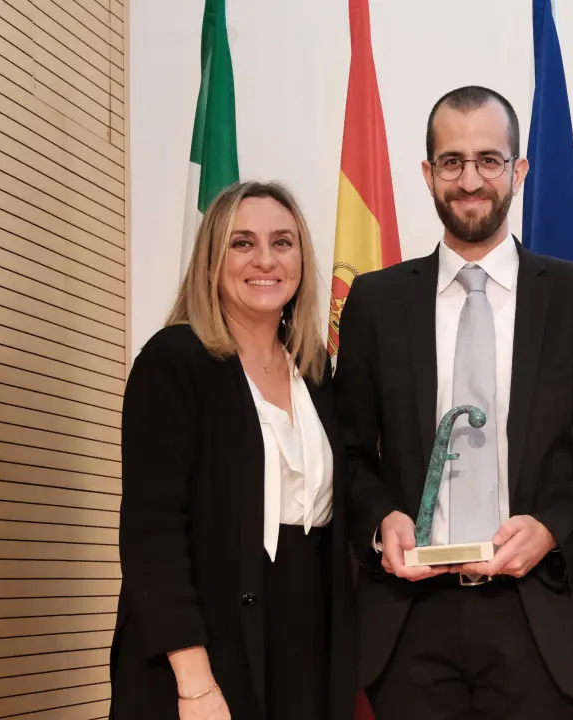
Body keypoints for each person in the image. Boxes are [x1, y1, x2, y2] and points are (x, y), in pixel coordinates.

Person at [333, 85, 573, 719]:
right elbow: (348, 454)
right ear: (428, 174)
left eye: (489, 160)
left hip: (539, 617)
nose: (470, 180)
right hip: (410, 625)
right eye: (452, 162)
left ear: (518, 171)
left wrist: (551, 529)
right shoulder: (376, 304)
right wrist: (380, 520)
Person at [109, 181, 355, 720]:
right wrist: (195, 683)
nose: (265, 259)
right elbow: (152, 535)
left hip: (302, 653)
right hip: (202, 653)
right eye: (242, 243)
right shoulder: (174, 360)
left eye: (282, 242)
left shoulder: (314, 371)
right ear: (212, 259)